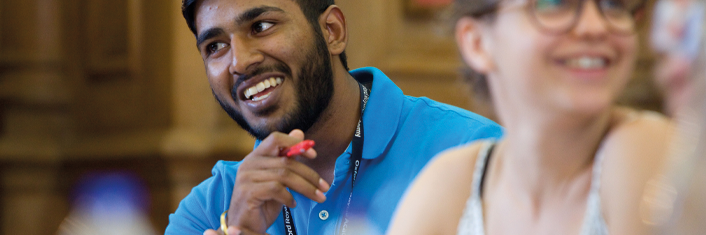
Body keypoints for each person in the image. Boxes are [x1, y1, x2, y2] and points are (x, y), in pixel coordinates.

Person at [166, 0, 504, 234]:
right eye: (215, 46)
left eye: (262, 26)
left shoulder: (475, 154)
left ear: (332, 31)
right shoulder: (208, 212)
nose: (239, 62)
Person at [387, 0, 673, 234]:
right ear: (477, 42)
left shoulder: (644, 147)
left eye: (613, 4)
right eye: (554, 3)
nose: (595, 26)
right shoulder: (450, 183)